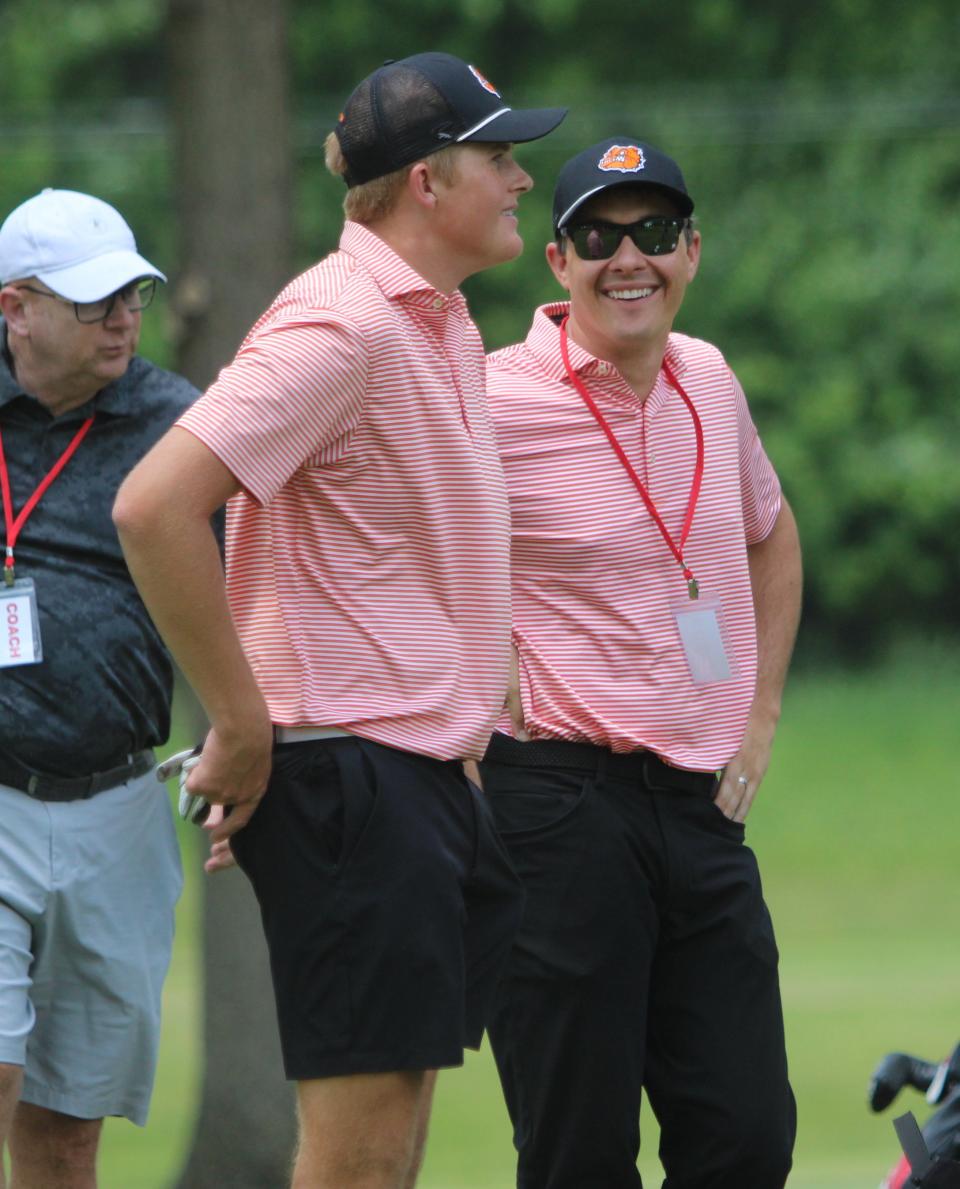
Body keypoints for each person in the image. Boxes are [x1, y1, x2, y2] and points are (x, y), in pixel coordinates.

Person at [113, 53, 566, 1189]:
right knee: (359, 1163)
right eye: (500, 159)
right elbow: (156, 507)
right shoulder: (340, 326)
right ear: (427, 181)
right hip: (353, 780)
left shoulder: (441, 323)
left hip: (412, 772)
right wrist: (243, 720)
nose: (520, 182)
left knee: (391, 1148)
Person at [478, 137, 803, 1188]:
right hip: (558, 806)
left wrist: (759, 712)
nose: (631, 259)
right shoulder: (490, 396)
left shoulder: (708, 374)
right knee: (578, 1154)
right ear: (556, 261)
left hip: (701, 808)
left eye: (654, 234)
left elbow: (770, 531)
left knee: (747, 1136)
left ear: (691, 252)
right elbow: (390, 537)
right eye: (600, 236)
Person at [0, 189, 197, 1187]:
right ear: (16, 307)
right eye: (93, 303)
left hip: (119, 810)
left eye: (133, 296)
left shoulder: (179, 421)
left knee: (63, 1133)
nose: (123, 319)